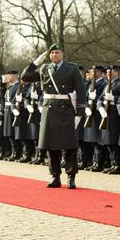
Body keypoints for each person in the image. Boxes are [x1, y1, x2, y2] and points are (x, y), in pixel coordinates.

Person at [21, 44, 86, 189]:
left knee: (69, 145)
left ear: (63, 53)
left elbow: (81, 91)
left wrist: (79, 114)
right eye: (52, 53)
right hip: (49, 108)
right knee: (51, 145)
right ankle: (55, 176)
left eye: (57, 52)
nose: (54, 55)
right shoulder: (45, 68)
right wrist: (35, 63)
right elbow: (25, 77)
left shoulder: (72, 68)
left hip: (66, 109)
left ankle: (71, 176)